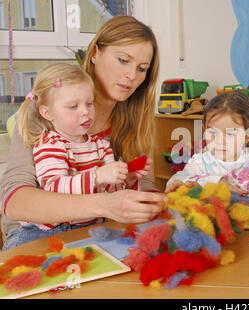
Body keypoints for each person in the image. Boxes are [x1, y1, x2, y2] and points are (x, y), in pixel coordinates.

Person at [0, 16, 167, 250]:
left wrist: (154, 200)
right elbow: (15, 202)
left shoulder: (135, 121)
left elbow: (141, 185)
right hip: (37, 235)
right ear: (95, 53)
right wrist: (105, 204)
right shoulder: (45, 109)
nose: (132, 76)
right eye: (123, 60)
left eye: (142, 69)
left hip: (97, 231)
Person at [165, 91, 249, 198]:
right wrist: (216, 182)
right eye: (212, 132)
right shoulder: (201, 162)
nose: (220, 140)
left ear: (248, 135)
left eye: (230, 133)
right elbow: (174, 181)